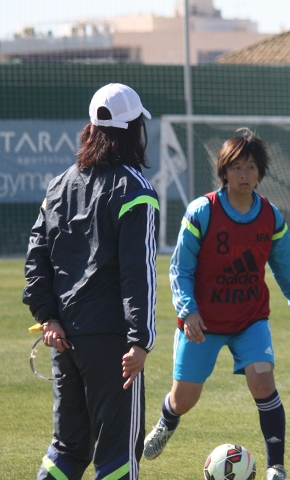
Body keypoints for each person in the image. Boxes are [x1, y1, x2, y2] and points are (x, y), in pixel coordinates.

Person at [143, 129, 290, 480]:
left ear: (260, 172)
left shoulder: (271, 217)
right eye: (236, 167)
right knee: (185, 398)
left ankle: (276, 467)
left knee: (263, 381)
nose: (243, 175)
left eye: (250, 167)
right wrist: (188, 309)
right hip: (202, 322)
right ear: (224, 170)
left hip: (250, 318)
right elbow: (180, 268)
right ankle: (167, 420)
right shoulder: (202, 211)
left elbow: (284, 267)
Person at [23, 83, 158, 480]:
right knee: (118, 456)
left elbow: (36, 258)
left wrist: (49, 319)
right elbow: (139, 272)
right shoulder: (137, 189)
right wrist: (141, 339)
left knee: (67, 449)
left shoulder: (59, 185)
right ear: (134, 130)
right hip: (113, 342)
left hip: (64, 337)